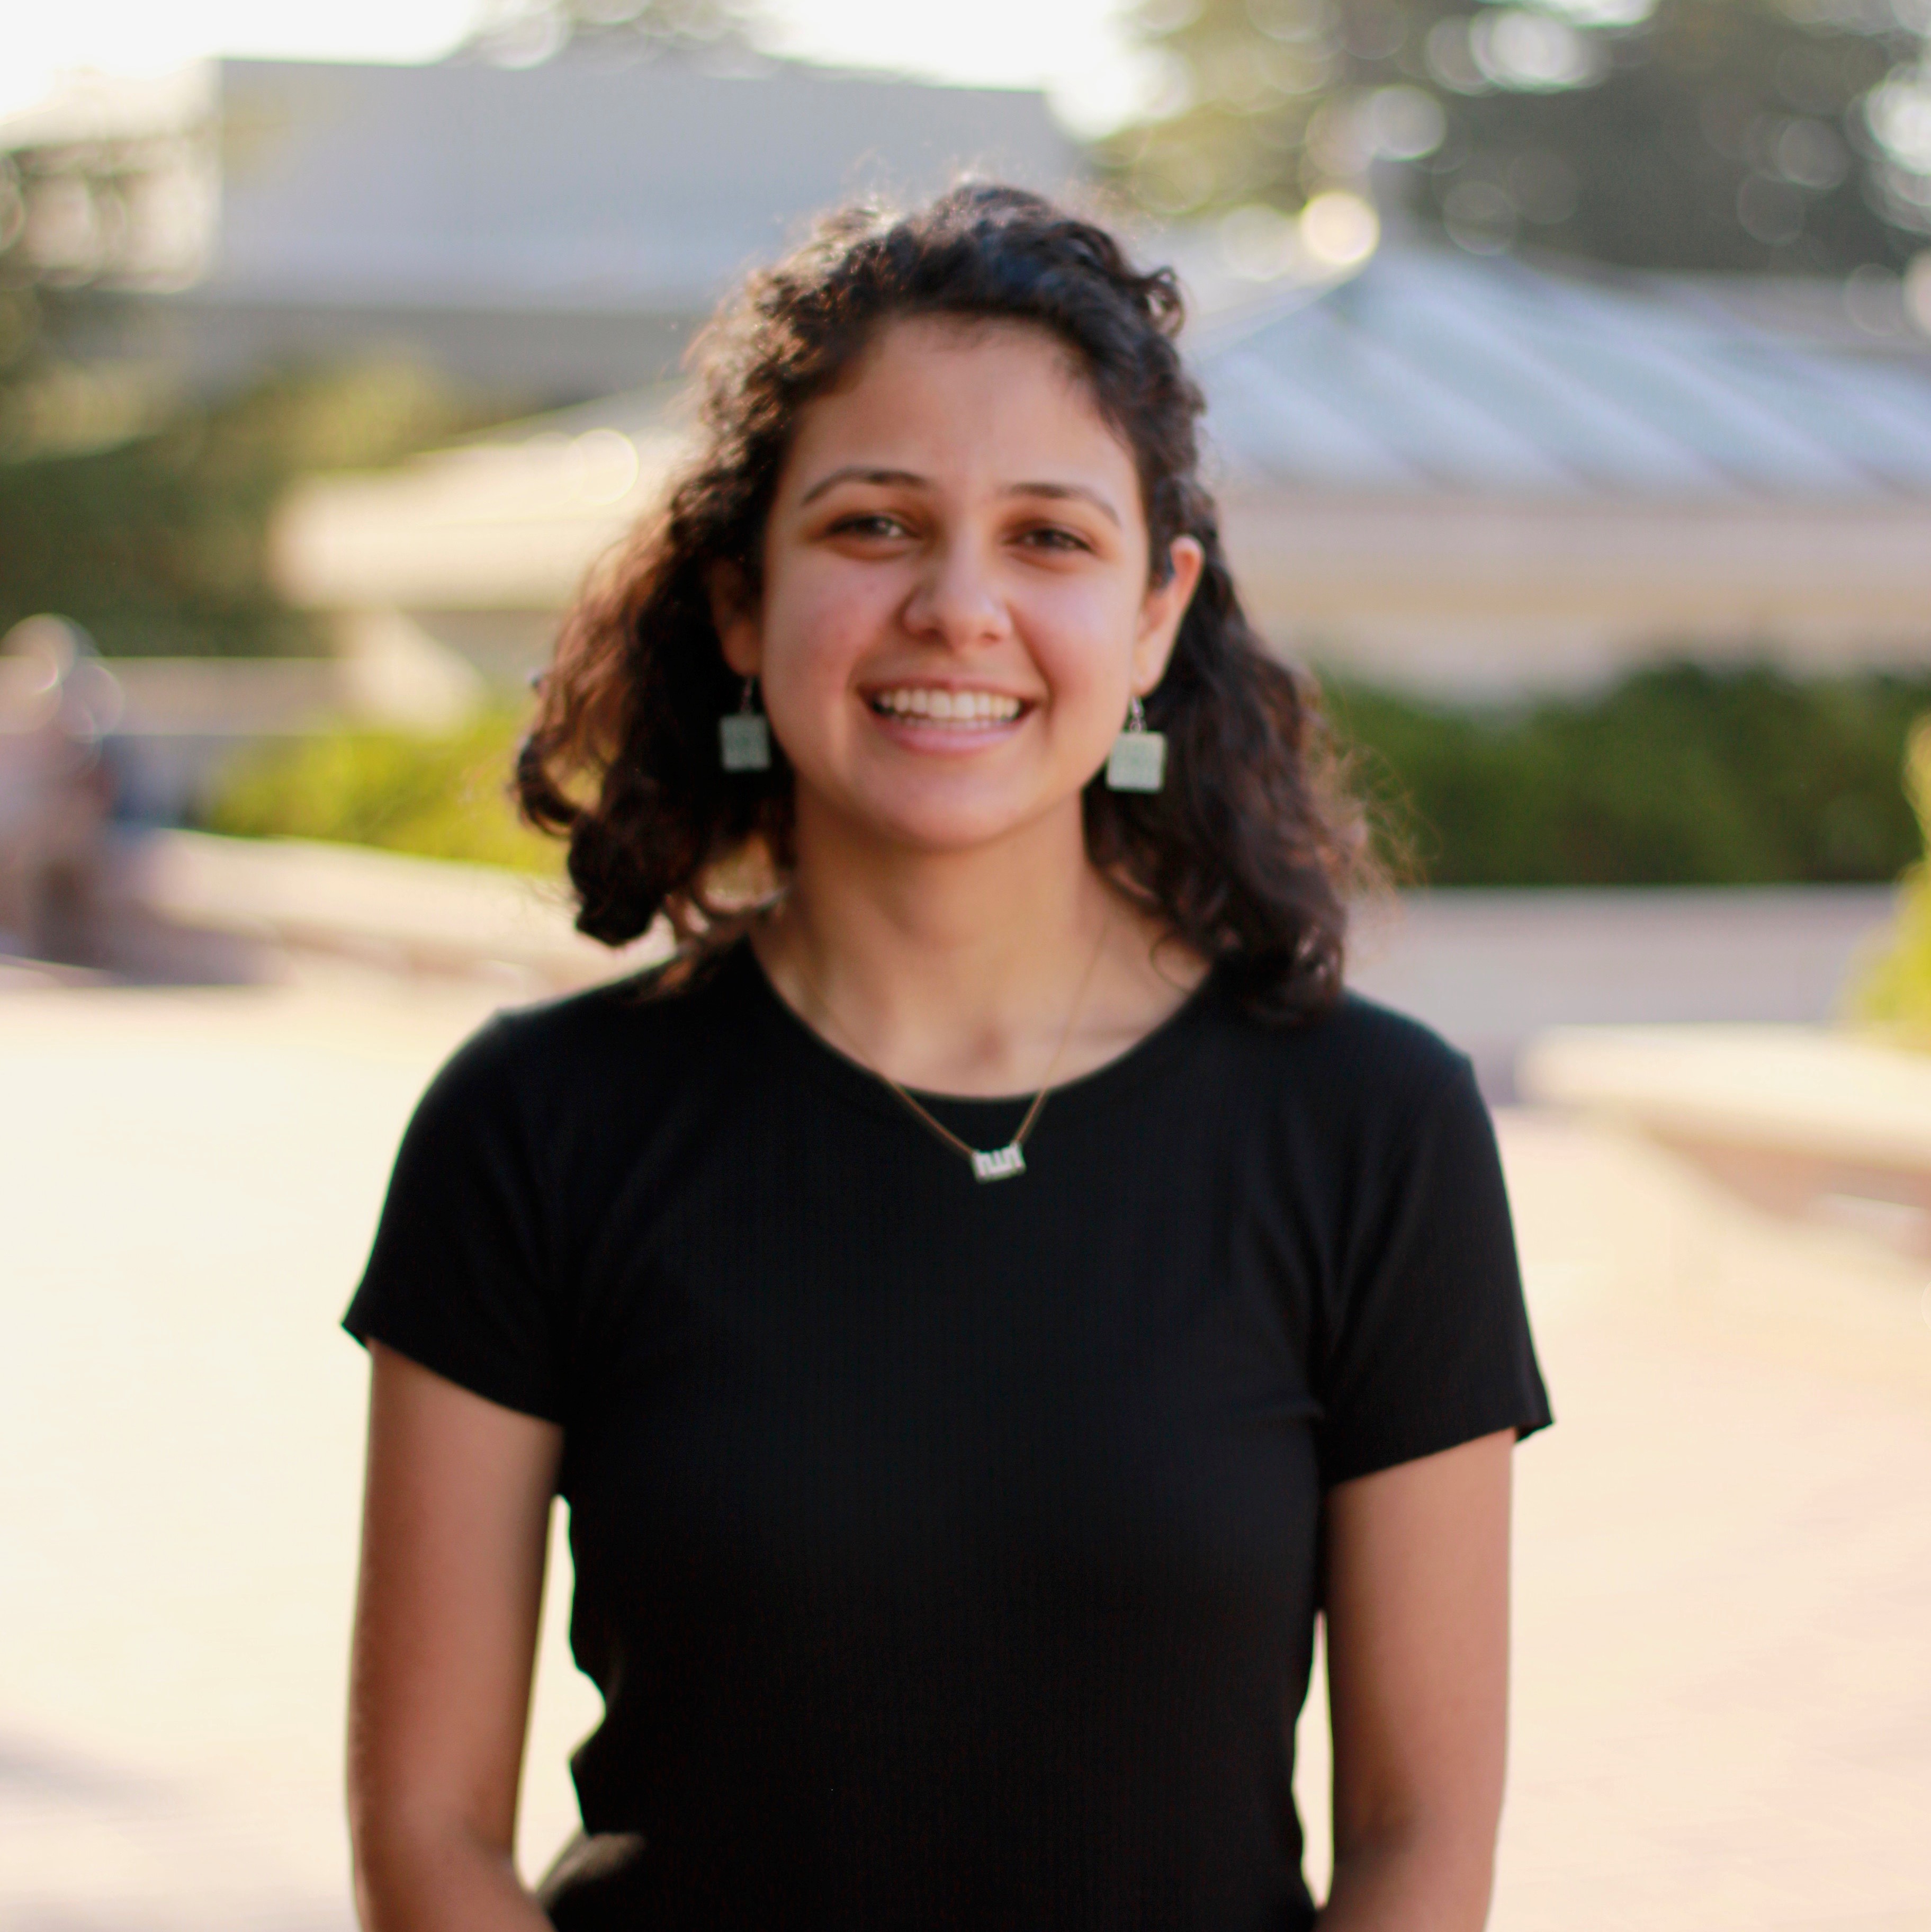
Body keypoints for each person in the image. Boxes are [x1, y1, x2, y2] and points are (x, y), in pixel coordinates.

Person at [343, 184, 1550, 1932]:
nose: (958, 607)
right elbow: (425, 1838)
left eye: (1050, 538)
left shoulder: (1374, 1130)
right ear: (741, 599)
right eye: (873, 526)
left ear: (1155, 615)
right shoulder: (534, 1128)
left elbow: (1423, 1844)